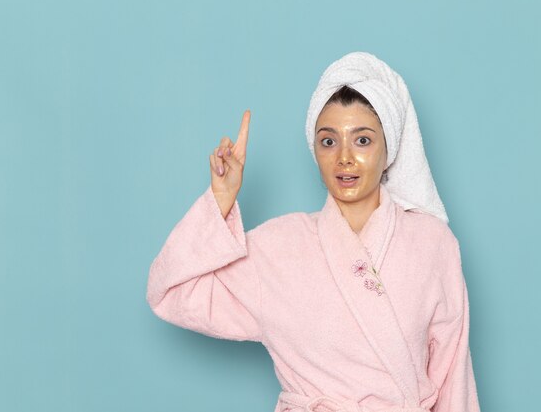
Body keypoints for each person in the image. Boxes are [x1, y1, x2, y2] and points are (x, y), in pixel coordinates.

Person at [146, 52, 481, 412]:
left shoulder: (433, 244)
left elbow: (453, 378)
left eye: (363, 140)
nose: (345, 158)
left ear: (390, 149)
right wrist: (221, 199)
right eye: (328, 141)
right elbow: (171, 291)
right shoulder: (277, 248)